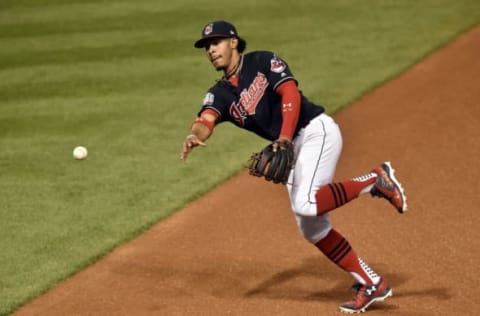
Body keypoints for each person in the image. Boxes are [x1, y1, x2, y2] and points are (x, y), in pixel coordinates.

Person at [180, 20, 407, 314]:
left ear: (234, 42)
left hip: (314, 131)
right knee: (312, 228)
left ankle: (374, 180)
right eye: (207, 47)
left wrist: (285, 137)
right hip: (289, 146)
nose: (211, 50)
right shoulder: (220, 94)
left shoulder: (262, 61)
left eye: (217, 42)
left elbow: (290, 93)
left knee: (307, 202)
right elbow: (206, 120)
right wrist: (194, 135)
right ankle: (371, 281)